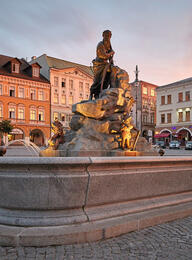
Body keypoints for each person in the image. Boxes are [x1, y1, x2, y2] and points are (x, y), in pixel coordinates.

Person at [90, 30, 115, 99]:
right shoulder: (100, 44)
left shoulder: (109, 44)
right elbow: (103, 55)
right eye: (106, 35)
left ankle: (103, 91)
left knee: (108, 76)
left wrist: (112, 65)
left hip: (106, 64)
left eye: (109, 36)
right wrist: (111, 53)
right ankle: (92, 93)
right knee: (98, 80)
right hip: (99, 64)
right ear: (103, 36)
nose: (108, 37)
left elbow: (110, 57)